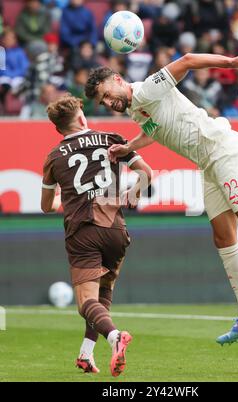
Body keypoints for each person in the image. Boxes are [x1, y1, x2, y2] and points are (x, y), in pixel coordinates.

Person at [84, 52, 238, 347]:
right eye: (103, 102)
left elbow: (187, 59)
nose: (108, 103)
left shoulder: (147, 88)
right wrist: (128, 147)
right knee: (223, 236)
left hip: (224, 150)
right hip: (208, 163)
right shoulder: (136, 108)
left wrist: (232, 63)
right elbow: (155, 129)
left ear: (118, 80)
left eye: (107, 94)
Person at [41, 95, 152, 375]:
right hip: (116, 229)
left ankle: (115, 337)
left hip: (83, 232)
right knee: (102, 296)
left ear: (58, 128)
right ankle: (86, 354)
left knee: (85, 303)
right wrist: (133, 194)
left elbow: (46, 206)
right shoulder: (111, 138)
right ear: (81, 118)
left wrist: (59, 200)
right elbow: (146, 173)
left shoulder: (54, 157)